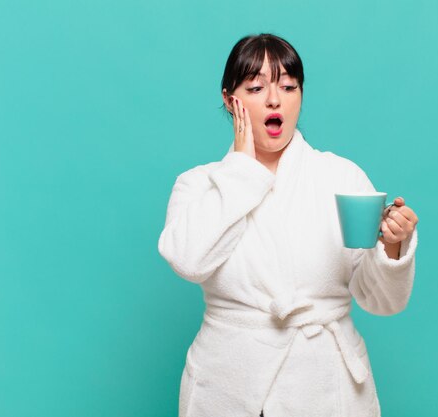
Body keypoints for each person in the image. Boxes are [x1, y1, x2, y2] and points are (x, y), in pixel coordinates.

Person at [158, 33, 419, 417]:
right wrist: (242, 171)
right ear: (232, 100)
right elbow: (188, 261)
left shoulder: (341, 176)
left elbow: (380, 299)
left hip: (324, 383)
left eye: (288, 86)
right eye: (257, 87)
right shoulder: (199, 184)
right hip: (229, 381)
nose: (274, 99)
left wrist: (392, 248)